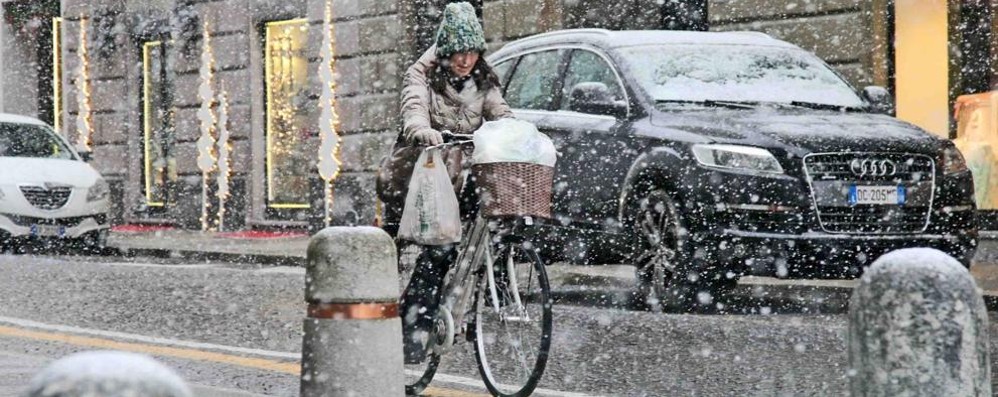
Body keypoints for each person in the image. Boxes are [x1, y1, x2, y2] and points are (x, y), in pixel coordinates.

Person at [390, 1, 513, 364]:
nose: (466, 60)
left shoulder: (483, 80)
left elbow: (500, 111)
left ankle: (488, 285)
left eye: (472, 52)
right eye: (459, 52)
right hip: (429, 174)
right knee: (439, 250)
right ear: (446, 51)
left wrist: (515, 130)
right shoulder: (423, 77)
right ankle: (413, 335)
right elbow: (413, 107)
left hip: (469, 170)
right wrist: (421, 129)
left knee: (502, 219)